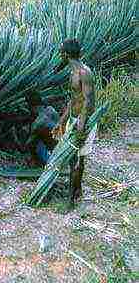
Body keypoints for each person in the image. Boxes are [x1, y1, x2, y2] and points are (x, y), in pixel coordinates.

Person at [53, 39, 96, 208]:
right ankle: (77, 191)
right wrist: (61, 121)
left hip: (83, 121)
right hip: (75, 119)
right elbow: (73, 100)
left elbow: (88, 101)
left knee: (76, 160)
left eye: (60, 53)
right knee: (77, 159)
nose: (59, 56)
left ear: (65, 55)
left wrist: (81, 126)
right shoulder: (73, 72)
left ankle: (70, 201)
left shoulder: (84, 72)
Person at [24, 91, 59, 166]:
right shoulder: (51, 109)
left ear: (30, 107)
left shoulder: (37, 123)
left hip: (53, 153)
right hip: (62, 146)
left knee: (34, 142)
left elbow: (28, 142)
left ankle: (49, 162)